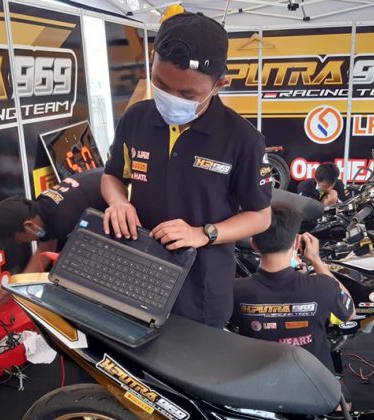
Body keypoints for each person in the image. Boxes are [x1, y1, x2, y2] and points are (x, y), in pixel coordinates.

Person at [101, 12, 272, 327]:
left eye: (187, 94)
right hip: (138, 271)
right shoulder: (135, 118)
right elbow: (112, 175)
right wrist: (118, 202)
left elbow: (260, 217)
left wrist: (203, 233)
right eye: (161, 84)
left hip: (201, 290)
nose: (171, 99)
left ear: (219, 85)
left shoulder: (242, 139)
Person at [229, 203, 354, 373]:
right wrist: (316, 261)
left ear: (253, 244)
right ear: (296, 242)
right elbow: (349, 312)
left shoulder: (236, 291)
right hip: (315, 382)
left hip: (259, 381)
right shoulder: (323, 286)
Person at [0, 168, 106, 272]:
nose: (19, 242)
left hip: (114, 192)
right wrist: (20, 283)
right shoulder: (44, 206)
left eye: (17, 238)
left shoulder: (64, 222)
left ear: (28, 226)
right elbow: (45, 249)